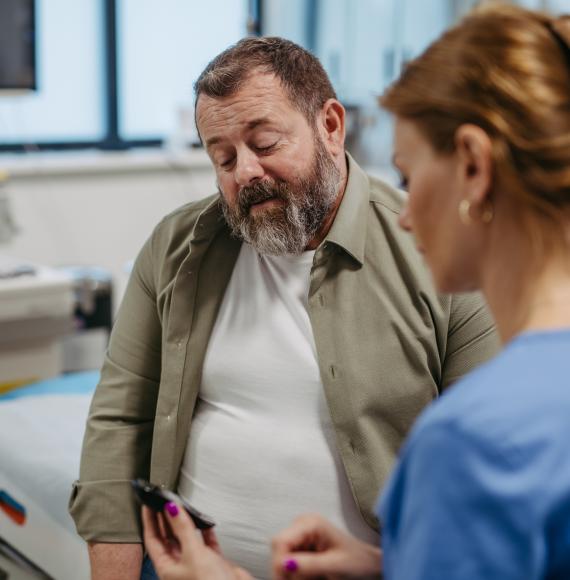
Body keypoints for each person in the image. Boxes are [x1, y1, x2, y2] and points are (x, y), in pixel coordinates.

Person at [68, 37, 498, 580]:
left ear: (332, 127)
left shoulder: (439, 255)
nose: (244, 171)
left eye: (265, 142)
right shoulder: (178, 247)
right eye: (222, 157)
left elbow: (484, 478)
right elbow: (120, 419)